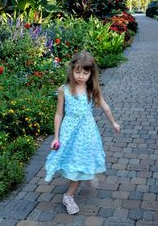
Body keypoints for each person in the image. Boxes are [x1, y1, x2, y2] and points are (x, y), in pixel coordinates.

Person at [44, 51, 120, 215]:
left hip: (87, 132)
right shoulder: (64, 90)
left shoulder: (91, 90)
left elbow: (105, 106)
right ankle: (73, 191)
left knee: (84, 158)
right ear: (71, 70)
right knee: (75, 160)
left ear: (91, 73)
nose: (81, 76)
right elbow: (58, 114)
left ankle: (72, 191)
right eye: (77, 71)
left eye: (85, 72)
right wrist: (56, 136)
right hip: (70, 132)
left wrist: (113, 122)